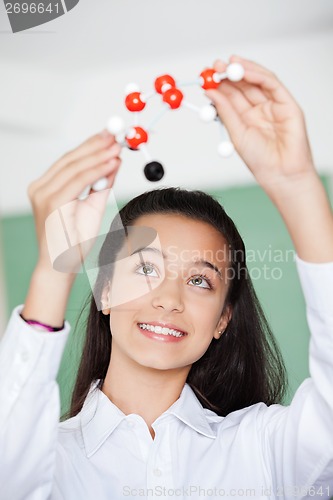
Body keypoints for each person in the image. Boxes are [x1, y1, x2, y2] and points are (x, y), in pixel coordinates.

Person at [0, 55, 332, 500]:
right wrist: (53, 271)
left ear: (222, 320)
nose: (169, 299)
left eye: (200, 281)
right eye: (145, 268)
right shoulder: (48, 462)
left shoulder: (267, 450)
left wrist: (296, 186)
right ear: (105, 291)